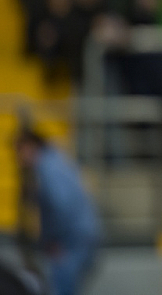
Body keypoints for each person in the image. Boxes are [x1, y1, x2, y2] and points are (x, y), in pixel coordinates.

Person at [15, 126, 100, 295]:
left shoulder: (48, 169)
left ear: (30, 146)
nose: (19, 158)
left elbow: (61, 205)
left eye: (19, 151)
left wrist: (54, 239)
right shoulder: (57, 160)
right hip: (81, 236)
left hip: (71, 241)